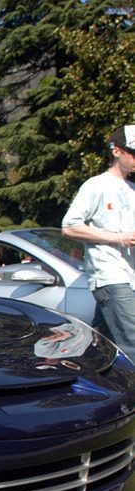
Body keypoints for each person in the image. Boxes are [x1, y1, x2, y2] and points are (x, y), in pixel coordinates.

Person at [61, 125, 135, 359]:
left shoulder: (132, 189)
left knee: (104, 346)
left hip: (129, 275)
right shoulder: (96, 185)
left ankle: (99, 389)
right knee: (132, 342)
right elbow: (70, 226)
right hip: (110, 275)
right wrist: (118, 238)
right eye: (134, 153)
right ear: (117, 151)